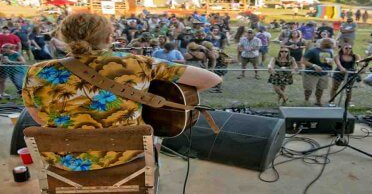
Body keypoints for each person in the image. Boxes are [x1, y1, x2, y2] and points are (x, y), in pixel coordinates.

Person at [22, 13, 222, 172]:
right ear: (109, 37)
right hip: (126, 155)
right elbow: (212, 79)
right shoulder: (136, 63)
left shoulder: (37, 71)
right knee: (155, 138)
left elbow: (38, 117)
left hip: (63, 160)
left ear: (63, 38)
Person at [301, 39, 335, 106]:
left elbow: (330, 62)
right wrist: (314, 65)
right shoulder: (312, 51)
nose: (331, 48)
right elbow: (303, 61)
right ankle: (306, 100)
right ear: (324, 44)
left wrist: (330, 63)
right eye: (330, 46)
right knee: (309, 89)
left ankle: (318, 101)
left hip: (323, 74)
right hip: (311, 74)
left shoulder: (329, 52)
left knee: (321, 88)